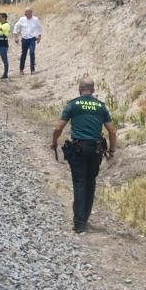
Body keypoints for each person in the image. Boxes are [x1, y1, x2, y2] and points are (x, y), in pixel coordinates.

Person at [51, 77, 117, 233]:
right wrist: (111, 151)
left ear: (79, 89)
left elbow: (58, 127)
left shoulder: (73, 104)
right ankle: (84, 218)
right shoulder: (101, 107)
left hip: (79, 149)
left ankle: (80, 224)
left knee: (79, 183)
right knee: (90, 183)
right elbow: (112, 131)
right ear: (93, 90)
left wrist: (54, 141)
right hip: (96, 150)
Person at [12, 6, 43, 74]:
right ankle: (21, 69)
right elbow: (16, 27)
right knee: (23, 54)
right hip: (24, 39)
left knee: (32, 53)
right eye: (25, 11)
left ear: (31, 12)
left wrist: (39, 37)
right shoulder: (21, 19)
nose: (25, 13)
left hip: (32, 39)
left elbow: (40, 28)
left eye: (27, 11)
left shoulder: (35, 19)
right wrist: (16, 37)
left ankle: (32, 70)